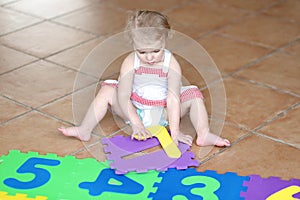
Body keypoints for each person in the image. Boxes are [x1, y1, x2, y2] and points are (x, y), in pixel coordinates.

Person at [58, 10, 230, 147]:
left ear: (165, 39)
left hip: (164, 113)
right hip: (135, 110)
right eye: (142, 52)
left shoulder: (171, 64)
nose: (149, 58)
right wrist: (136, 124)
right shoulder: (130, 62)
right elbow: (124, 96)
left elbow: (173, 97)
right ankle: (84, 129)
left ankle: (204, 133)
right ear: (133, 44)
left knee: (193, 93)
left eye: (156, 51)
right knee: (108, 90)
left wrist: (175, 132)